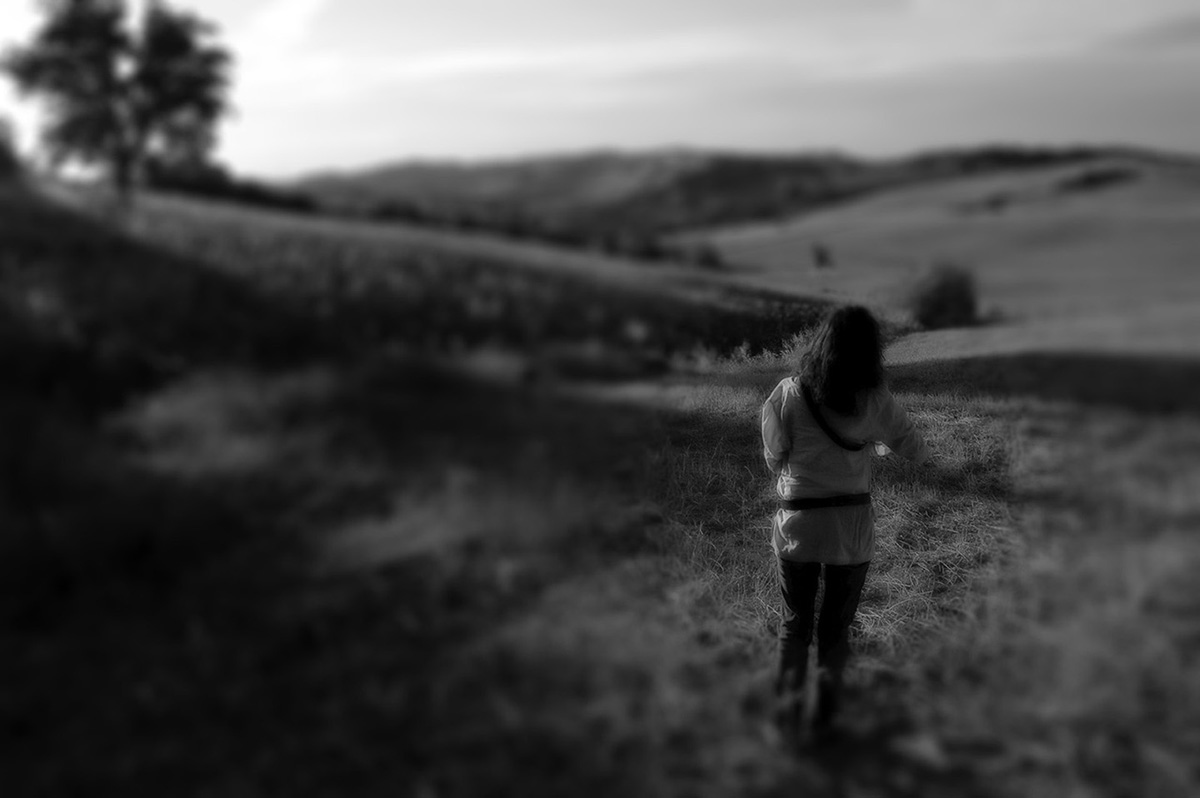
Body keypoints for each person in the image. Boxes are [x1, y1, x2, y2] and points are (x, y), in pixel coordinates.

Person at [760, 305, 931, 739]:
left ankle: (785, 718)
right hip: (850, 532)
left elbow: (773, 454)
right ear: (871, 352)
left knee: (795, 625)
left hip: (797, 525)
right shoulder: (873, 399)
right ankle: (824, 721)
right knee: (835, 632)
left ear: (821, 344)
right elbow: (912, 445)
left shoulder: (788, 393)